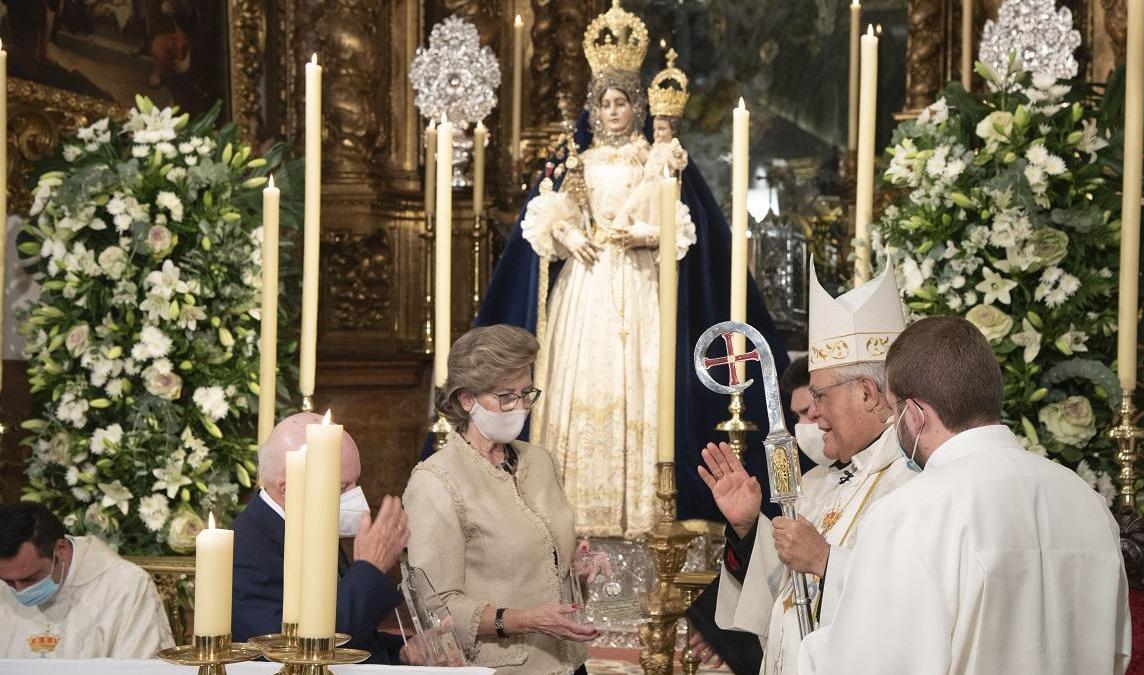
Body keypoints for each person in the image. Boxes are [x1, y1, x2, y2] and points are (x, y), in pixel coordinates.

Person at [471, 0, 789, 535]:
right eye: (607, 102)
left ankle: (646, 512)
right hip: (587, 284)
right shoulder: (577, 158)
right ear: (595, 108)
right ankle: (566, 514)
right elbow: (547, 211)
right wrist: (571, 233)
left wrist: (644, 234)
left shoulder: (657, 159)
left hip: (641, 285)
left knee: (643, 378)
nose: (615, 111)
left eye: (622, 102)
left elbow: (682, 227)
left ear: (636, 106)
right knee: (578, 382)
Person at [794, 316, 1132, 673]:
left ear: (915, 414)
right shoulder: (1088, 502)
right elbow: (1117, 652)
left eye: (894, 409)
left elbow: (868, 665)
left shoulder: (909, 514)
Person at [707, 261, 916, 675]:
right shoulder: (819, 481)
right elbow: (783, 596)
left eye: (820, 396)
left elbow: (917, 609)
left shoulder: (914, 483)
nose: (813, 415)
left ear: (869, 394)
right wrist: (749, 530)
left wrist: (825, 559)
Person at [404, 325, 602, 675]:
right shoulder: (435, 481)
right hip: (501, 668)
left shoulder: (540, 461)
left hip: (569, 663)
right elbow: (437, 607)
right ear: (467, 399)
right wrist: (526, 620)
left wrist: (579, 571)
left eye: (527, 393)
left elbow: (546, 565)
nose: (521, 406)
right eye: (506, 396)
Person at [231, 412, 410, 665]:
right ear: (288, 487)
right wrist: (370, 569)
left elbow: (349, 631)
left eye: (356, 484)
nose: (356, 498)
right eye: (341, 487)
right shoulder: (246, 547)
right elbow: (298, 652)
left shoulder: (311, 522)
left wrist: (403, 649)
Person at [684, 357, 818, 675]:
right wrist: (747, 525)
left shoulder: (896, 483)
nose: (812, 424)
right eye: (798, 415)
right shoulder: (815, 483)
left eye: (813, 409)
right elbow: (788, 574)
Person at [0, 502, 174, 658]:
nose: (20, 590)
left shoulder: (127, 586)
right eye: (8, 581)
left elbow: (140, 668)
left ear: (61, 550)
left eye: (30, 578)